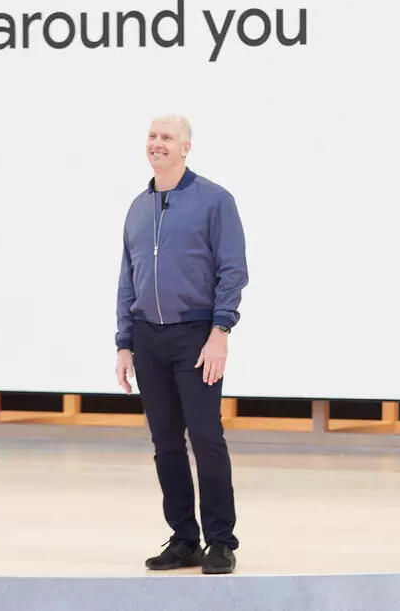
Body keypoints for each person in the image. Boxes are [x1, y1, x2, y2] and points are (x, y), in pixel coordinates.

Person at [114, 114, 249, 574]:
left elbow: (233, 269)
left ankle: (220, 540)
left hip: (196, 335)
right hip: (148, 338)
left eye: (167, 137)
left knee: (206, 437)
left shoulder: (214, 201)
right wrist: (124, 343)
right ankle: (184, 538)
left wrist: (220, 331)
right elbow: (127, 279)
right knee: (165, 442)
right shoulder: (137, 207)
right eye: (152, 136)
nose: (157, 143)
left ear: (186, 147)